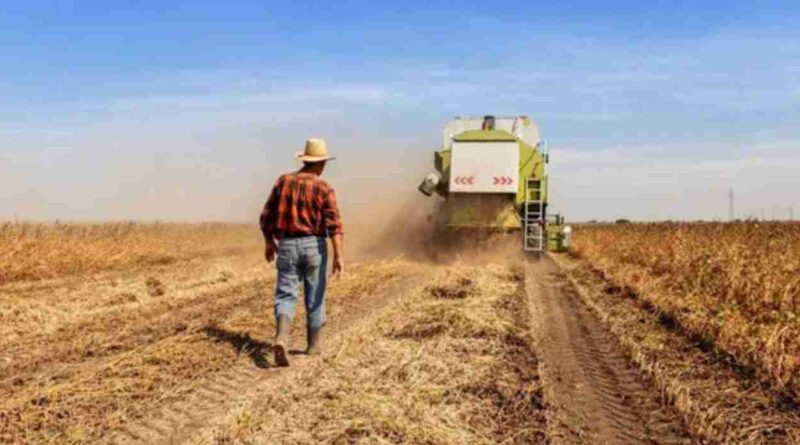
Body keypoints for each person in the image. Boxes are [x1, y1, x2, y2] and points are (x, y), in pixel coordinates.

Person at [259, 138, 344, 367]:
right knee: (315, 296)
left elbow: (265, 216)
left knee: (286, 294)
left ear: (304, 160)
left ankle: (282, 338)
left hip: (286, 245)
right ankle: (313, 347)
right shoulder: (323, 187)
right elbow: (334, 225)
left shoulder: (283, 182)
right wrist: (338, 256)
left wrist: (269, 242)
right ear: (321, 163)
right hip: (314, 246)